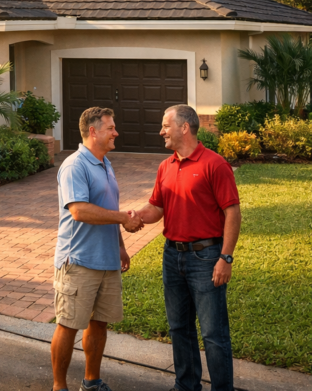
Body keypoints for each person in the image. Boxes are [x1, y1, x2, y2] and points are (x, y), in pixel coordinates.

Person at [128, 105, 240, 391]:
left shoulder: (214, 164)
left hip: (206, 257)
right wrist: (134, 217)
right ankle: (186, 385)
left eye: (166, 125)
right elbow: (156, 207)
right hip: (172, 256)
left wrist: (225, 257)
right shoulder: (166, 166)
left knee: (214, 333)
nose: (161, 131)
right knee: (179, 328)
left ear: (184, 128)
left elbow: (232, 213)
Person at [51, 107, 143, 391]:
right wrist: (123, 219)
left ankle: (91, 382)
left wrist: (121, 247)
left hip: (106, 260)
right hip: (79, 260)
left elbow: (108, 209)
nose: (116, 132)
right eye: (111, 128)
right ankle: (59, 386)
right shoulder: (74, 165)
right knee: (69, 324)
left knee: (100, 323)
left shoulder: (105, 163)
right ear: (93, 131)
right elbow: (79, 211)